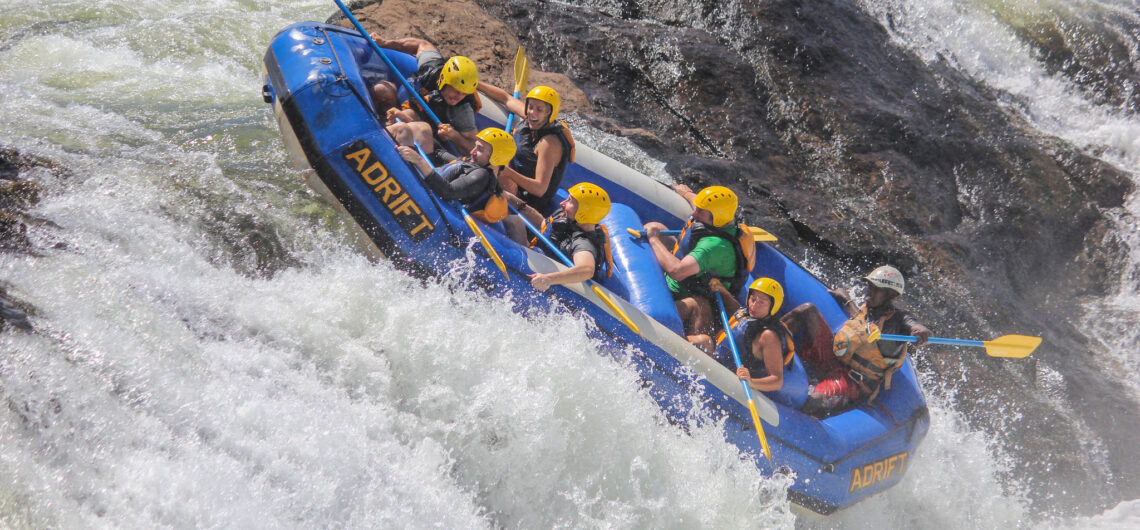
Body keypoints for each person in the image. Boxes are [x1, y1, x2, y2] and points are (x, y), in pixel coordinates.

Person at [796, 265, 932, 418]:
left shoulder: (899, 320)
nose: (869, 291)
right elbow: (860, 320)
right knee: (807, 311)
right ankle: (770, 339)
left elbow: (915, 326)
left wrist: (920, 331)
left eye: (875, 288)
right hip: (834, 361)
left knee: (812, 401)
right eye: (870, 286)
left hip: (852, 382)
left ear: (890, 294)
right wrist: (847, 300)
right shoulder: (867, 308)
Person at [643, 185, 746, 353]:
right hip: (691, 278)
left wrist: (653, 239)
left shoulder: (715, 246)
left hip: (697, 296)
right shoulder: (715, 219)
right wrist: (685, 192)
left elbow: (676, 271)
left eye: (700, 212)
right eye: (697, 208)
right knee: (658, 226)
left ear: (718, 217)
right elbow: (698, 204)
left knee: (697, 307)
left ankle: (681, 345)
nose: (693, 214)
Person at [370, 33, 481, 159]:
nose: (458, 97)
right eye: (456, 90)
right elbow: (422, 44)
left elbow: (474, 148)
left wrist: (454, 136)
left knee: (413, 117)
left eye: (464, 93)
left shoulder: (462, 109)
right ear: (444, 79)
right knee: (382, 90)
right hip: (400, 108)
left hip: (423, 134)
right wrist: (385, 43)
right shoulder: (432, 68)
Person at [478, 83, 575, 213]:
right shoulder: (533, 119)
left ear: (549, 114)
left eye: (539, 110)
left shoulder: (549, 143)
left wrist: (505, 170)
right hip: (511, 181)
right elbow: (506, 99)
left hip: (526, 201)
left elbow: (540, 189)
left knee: (489, 161)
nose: (532, 113)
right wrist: (475, 84)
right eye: (530, 107)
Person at [398, 127, 515, 223]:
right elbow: (440, 153)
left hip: (433, 208)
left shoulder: (481, 176)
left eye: (480, 149)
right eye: (475, 146)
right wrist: (427, 135)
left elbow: (449, 191)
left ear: (495, 158)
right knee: (418, 129)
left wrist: (419, 160)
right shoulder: (472, 164)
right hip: (427, 191)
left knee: (402, 131)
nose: (472, 151)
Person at [520, 182, 612, 292]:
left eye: (569, 201)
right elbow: (544, 225)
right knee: (516, 220)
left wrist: (548, 279)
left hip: (565, 289)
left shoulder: (583, 242)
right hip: (540, 252)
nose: (562, 203)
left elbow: (587, 270)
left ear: (583, 211)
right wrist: (517, 204)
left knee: (514, 223)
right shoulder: (567, 217)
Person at [720, 278, 794, 393]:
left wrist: (750, 382)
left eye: (761, 302)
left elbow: (777, 381)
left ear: (772, 306)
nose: (754, 306)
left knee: (702, 341)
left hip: (737, 379)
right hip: (720, 359)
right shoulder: (747, 314)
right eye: (753, 299)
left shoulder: (768, 336)